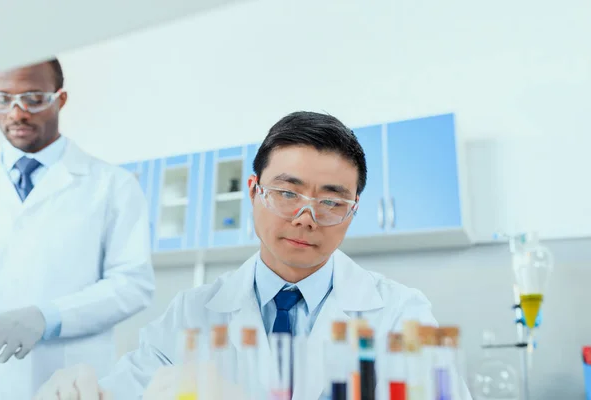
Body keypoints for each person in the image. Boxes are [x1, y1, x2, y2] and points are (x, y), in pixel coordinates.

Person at [35, 111, 472, 399]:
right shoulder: (192, 313)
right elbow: (124, 390)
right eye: (286, 192)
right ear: (253, 192)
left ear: (353, 212)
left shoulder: (401, 313)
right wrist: (77, 390)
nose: (306, 217)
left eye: (332, 201)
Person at [0, 58, 155, 399]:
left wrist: (47, 317)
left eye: (33, 98)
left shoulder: (113, 186)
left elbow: (133, 284)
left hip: (71, 382)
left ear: (60, 99)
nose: (16, 113)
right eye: (3, 99)